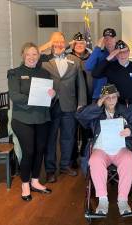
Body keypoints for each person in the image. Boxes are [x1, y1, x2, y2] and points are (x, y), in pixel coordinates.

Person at [76, 84, 132, 216]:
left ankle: (123, 200)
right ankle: (103, 200)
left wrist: (130, 130)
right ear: (103, 99)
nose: (112, 100)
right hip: (101, 149)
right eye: (108, 98)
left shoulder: (125, 110)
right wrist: (97, 104)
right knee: (95, 160)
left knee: (128, 160)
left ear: (117, 98)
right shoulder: (97, 111)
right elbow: (80, 117)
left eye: (114, 97)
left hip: (120, 148)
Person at [7, 42, 55, 201]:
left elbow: (49, 98)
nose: (32, 57)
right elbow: (14, 96)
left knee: (40, 149)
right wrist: (34, 99)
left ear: (38, 56)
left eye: (35, 54)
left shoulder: (45, 73)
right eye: (29, 54)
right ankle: (25, 183)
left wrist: (52, 94)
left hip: (42, 118)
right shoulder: (14, 73)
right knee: (29, 151)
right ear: (23, 55)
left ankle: (35, 180)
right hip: (22, 119)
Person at [40, 32, 87, 183]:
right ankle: (50, 170)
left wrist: (81, 102)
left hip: (70, 105)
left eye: (61, 42)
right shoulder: (44, 60)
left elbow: (81, 83)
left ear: (66, 43)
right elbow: (32, 55)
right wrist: (47, 45)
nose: (59, 44)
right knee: (50, 139)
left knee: (68, 137)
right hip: (50, 106)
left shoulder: (75, 60)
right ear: (51, 43)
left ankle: (65, 165)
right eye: (55, 42)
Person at [69, 32, 93, 169]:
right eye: (77, 43)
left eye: (82, 43)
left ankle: (85, 155)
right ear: (73, 44)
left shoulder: (91, 58)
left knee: (86, 131)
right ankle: (72, 158)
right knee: (72, 131)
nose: (79, 45)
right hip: (72, 100)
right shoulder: (68, 58)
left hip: (88, 100)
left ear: (86, 44)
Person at [85, 28, 117, 101]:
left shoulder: (119, 55)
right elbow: (88, 66)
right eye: (106, 39)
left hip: (115, 97)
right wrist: (98, 46)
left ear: (115, 39)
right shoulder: (99, 53)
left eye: (111, 38)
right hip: (99, 96)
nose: (108, 41)